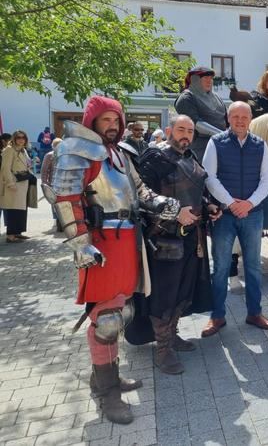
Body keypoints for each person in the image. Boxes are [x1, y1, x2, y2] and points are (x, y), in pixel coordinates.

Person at [48, 96, 188, 424]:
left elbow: (140, 192)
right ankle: (107, 393)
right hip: (101, 244)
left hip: (127, 241)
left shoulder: (122, 154)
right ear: (92, 120)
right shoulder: (78, 150)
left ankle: (104, 377)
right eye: (105, 120)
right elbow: (66, 200)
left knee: (120, 310)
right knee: (106, 319)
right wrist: (81, 245)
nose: (112, 125)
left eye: (116, 120)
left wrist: (169, 206)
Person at [134, 115, 219, 372]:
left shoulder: (189, 156)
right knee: (164, 294)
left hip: (193, 236)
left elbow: (196, 193)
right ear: (169, 130)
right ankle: (162, 349)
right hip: (164, 238)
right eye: (181, 129)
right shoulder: (154, 157)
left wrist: (209, 205)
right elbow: (142, 197)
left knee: (183, 291)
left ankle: (171, 335)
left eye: (190, 130)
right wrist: (174, 211)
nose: (186, 134)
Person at [201, 101, 268, 336]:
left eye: (245, 117)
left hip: (253, 215)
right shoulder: (216, 143)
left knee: (253, 266)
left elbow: (267, 179)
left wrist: (249, 203)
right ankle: (217, 316)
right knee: (221, 267)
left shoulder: (260, 144)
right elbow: (210, 177)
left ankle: (254, 313)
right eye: (236, 117)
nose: (240, 121)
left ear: (251, 118)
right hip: (225, 215)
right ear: (228, 119)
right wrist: (232, 203)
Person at [175, 66, 227, 161]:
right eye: (205, 78)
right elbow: (196, 123)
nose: (210, 81)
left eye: (211, 78)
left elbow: (228, 122)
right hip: (199, 150)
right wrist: (223, 135)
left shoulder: (218, 98)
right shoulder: (186, 98)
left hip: (222, 148)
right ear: (194, 79)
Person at [1, 130, 37, 242]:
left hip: (23, 183)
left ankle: (18, 232)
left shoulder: (23, 150)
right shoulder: (9, 150)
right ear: (14, 138)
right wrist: (10, 183)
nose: (21, 139)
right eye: (18, 137)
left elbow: (27, 165)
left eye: (23, 138)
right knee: (13, 209)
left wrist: (33, 161)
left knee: (21, 209)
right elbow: (5, 169)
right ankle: (10, 235)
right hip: (14, 183)